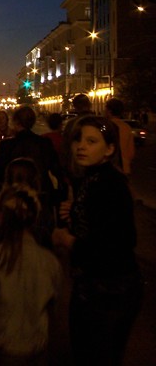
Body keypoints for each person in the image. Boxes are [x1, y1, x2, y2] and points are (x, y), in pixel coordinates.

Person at [52, 116, 143, 365]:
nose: (81, 146)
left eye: (92, 141)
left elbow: (114, 246)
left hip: (109, 293)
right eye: (78, 140)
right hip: (95, 287)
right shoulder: (93, 178)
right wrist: (77, 209)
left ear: (110, 149)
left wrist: (66, 239)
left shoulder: (109, 184)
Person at [0, 185, 62, 365]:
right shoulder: (50, 261)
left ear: (0, 217)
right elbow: (53, 302)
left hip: (3, 342)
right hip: (37, 343)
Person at [0, 106, 67, 244]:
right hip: (41, 191)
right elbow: (56, 168)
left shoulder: (7, 145)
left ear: (15, 122)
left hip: (15, 194)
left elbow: (0, 172)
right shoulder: (44, 143)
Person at [60, 93, 93, 170]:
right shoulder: (99, 123)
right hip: (96, 165)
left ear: (75, 107)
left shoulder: (72, 124)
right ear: (89, 105)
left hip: (76, 167)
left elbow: (65, 148)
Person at [105, 98, 135, 174]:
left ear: (109, 111)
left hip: (108, 169)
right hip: (124, 168)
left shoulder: (105, 126)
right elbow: (131, 152)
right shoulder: (126, 127)